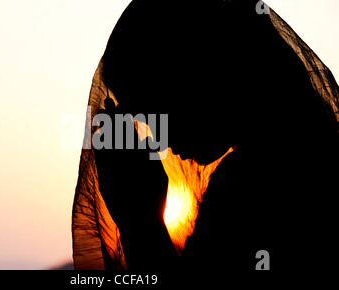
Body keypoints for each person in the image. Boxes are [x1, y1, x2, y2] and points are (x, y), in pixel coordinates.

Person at [73, 0, 339, 271]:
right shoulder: (320, 152)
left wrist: (140, 220)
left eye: (155, 108)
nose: (159, 140)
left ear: (200, 71)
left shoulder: (249, 185)